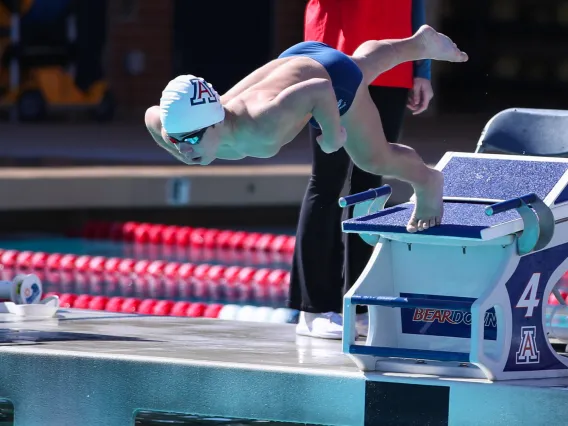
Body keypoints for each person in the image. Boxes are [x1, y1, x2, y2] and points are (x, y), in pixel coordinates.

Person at [145, 25, 467, 235]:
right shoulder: (181, 127)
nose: (184, 149)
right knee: (361, 66)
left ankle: (428, 181)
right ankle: (417, 44)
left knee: (373, 159)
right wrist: (173, 141)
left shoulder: (261, 123)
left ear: (215, 121)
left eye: (191, 139)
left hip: (325, 81)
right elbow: (151, 115)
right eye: (176, 140)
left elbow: (317, 90)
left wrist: (331, 134)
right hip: (298, 59)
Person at [291, 0, 433, 339]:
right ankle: (314, 309)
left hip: (393, 67)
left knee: (371, 182)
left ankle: (361, 302)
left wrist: (421, 69)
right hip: (334, 59)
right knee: (328, 180)